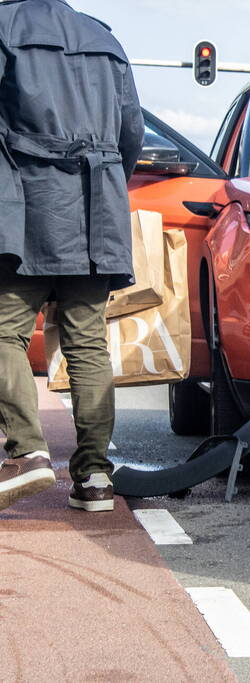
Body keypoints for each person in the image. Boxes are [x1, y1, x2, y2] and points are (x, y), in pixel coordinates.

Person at [0, 0, 144, 512]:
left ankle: (28, 451)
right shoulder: (103, 38)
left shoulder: (4, 27)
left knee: (3, 332)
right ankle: (95, 478)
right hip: (96, 207)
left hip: (25, 207)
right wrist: (104, 182)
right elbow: (132, 133)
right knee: (87, 344)